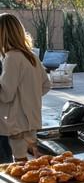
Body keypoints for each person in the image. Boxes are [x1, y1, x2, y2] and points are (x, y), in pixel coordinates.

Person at [0, 13, 50, 160]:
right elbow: (46, 85)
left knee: (14, 169)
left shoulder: (11, 58)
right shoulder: (31, 56)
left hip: (13, 125)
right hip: (30, 122)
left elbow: (6, 94)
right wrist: (29, 98)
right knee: (27, 165)